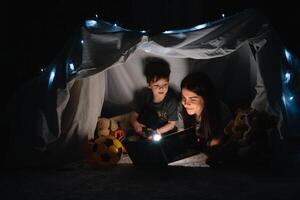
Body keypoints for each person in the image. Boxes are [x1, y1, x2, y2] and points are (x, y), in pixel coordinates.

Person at [178, 72, 232, 150]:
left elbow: (220, 141)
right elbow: (181, 137)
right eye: (183, 98)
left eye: (192, 99)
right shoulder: (180, 108)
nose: (186, 103)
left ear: (205, 98)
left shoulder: (221, 110)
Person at [130, 57, 178, 139]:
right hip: (147, 128)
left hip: (163, 131)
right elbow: (134, 115)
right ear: (149, 85)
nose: (162, 88)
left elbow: (172, 124)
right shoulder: (146, 96)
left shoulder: (171, 101)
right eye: (157, 85)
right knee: (148, 114)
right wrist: (135, 123)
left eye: (165, 85)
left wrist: (156, 132)